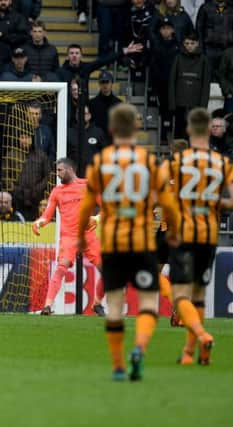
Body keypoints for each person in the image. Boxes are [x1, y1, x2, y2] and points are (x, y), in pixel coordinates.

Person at [77, 103, 180, 381]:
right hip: (141, 242)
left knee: (114, 306)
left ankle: (118, 364)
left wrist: (78, 237)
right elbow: (168, 202)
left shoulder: (101, 162)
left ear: (111, 130)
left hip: (113, 244)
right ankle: (140, 349)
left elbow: (87, 207)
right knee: (148, 301)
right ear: (136, 129)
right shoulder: (149, 163)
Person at [162, 107, 233, 366]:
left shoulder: (177, 163)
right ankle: (191, 353)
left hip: (183, 234)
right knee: (199, 294)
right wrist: (213, 203)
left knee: (180, 295)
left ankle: (202, 336)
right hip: (209, 235)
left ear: (190, 130)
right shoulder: (222, 163)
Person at [32, 157, 104, 316]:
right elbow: (47, 215)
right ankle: (48, 306)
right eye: (57, 170)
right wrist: (39, 223)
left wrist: (97, 218)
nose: (57, 174)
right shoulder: (57, 191)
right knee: (61, 267)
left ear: (70, 170)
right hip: (69, 237)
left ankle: (97, 304)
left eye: (60, 170)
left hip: (88, 235)